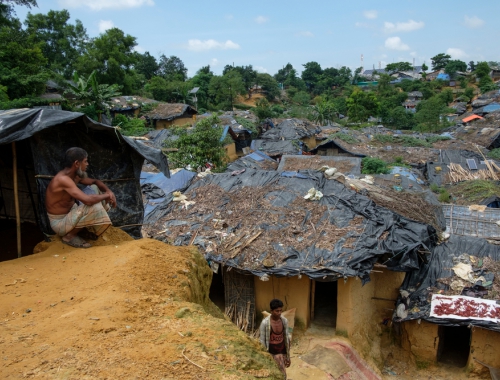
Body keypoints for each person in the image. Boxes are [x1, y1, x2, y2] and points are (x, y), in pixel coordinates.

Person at [45, 147, 117, 248]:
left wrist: (108, 191)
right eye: (85, 161)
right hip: (60, 223)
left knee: (95, 188)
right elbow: (88, 201)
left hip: (70, 215)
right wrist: (108, 195)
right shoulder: (63, 179)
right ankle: (69, 236)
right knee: (94, 205)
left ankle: (81, 230)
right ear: (77, 163)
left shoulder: (74, 175)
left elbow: (95, 182)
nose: (87, 164)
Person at [259, 299, 291, 379]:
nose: (279, 313)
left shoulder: (284, 321)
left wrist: (288, 356)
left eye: (281, 310)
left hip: (282, 352)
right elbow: (262, 341)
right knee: (274, 375)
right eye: (277, 311)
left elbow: (287, 338)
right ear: (271, 311)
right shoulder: (265, 323)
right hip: (272, 353)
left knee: (282, 375)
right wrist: (265, 357)